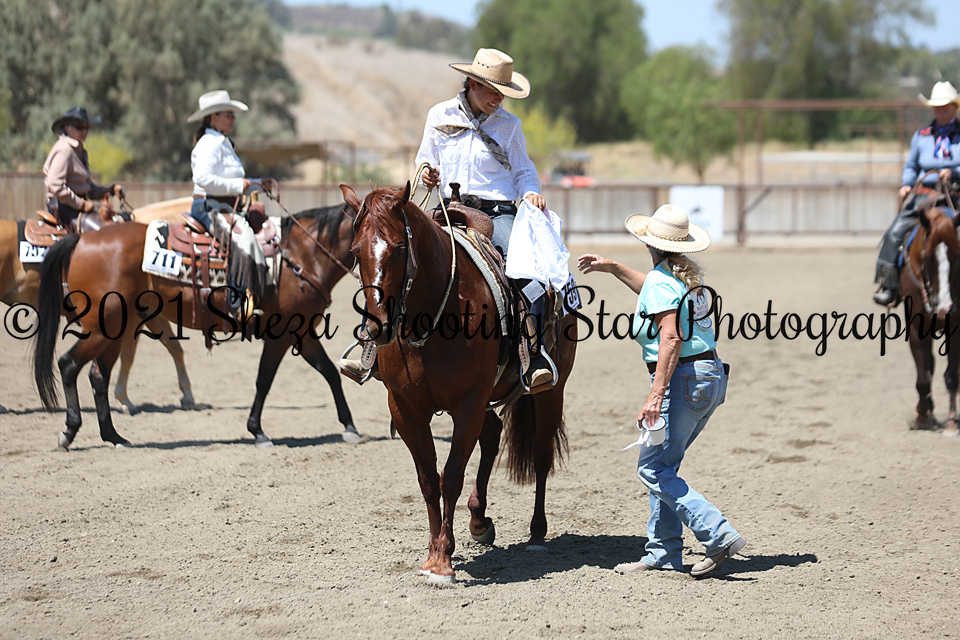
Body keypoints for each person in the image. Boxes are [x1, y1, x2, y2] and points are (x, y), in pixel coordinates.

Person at [339, 48, 553, 387]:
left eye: (502, 93)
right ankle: (372, 345)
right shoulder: (439, 115)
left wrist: (530, 192)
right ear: (472, 83)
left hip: (495, 212)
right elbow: (425, 159)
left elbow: (524, 170)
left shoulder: (510, 127)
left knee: (527, 268)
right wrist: (426, 172)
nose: (498, 99)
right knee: (395, 255)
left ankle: (533, 353)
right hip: (446, 208)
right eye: (492, 91)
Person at [577, 205, 745, 577]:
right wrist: (615, 268)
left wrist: (655, 396)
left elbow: (670, 337)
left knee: (653, 468)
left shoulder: (661, 280)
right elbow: (653, 291)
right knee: (664, 466)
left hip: (683, 380)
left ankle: (717, 533)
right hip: (708, 376)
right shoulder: (683, 275)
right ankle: (663, 552)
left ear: (649, 243)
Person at [874, 81, 960, 306]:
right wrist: (907, 184)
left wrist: (953, 173)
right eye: (936, 107)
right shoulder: (921, 136)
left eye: (944, 107)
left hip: (956, 195)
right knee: (894, 233)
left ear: (955, 107)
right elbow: (911, 165)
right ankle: (890, 286)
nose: (940, 111)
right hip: (925, 196)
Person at [186, 90, 266, 315]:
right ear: (214, 118)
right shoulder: (211, 142)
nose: (233, 118)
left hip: (222, 206)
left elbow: (235, 180)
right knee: (240, 240)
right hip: (208, 206)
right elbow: (202, 178)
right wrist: (237, 186)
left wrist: (260, 184)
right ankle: (236, 304)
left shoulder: (221, 142)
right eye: (229, 114)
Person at [43, 106, 123, 231]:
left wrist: (109, 190)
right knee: (104, 233)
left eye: (87, 127)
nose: (85, 131)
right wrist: (82, 204)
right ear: (67, 128)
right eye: (80, 127)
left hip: (76, 208)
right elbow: (55, 184)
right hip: (64, 209)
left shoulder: (79, 150)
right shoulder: (64, 149)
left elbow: (87, 188)